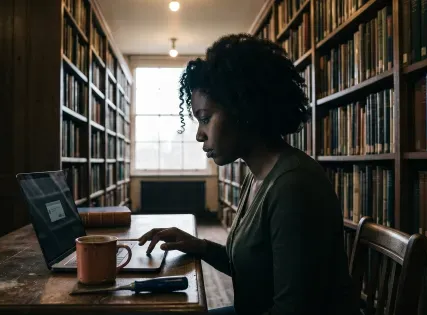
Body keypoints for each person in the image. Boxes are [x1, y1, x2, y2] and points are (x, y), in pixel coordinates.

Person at [138, 33, 359, 315]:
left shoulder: (294, 185)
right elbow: (251, 267)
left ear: (243, 109)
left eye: (205, 118)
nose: (199, 135)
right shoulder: (257, 175)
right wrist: (199, 246)